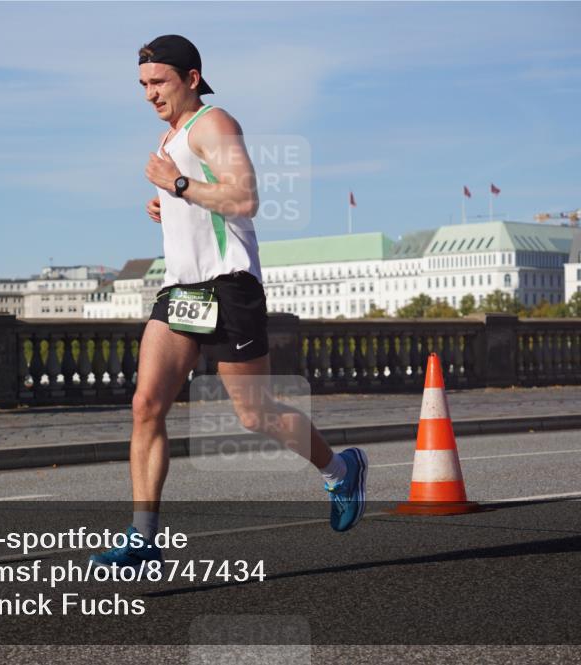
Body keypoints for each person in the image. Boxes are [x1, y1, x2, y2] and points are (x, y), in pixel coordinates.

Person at [91, 35, 368, 569]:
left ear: (192, 79)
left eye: (159, 82)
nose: (149, 94)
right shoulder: (170, 135)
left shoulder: (214, 124)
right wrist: (171, 199)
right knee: (146, 406)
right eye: (143, 85)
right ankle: (144, 536)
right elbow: (202, 197)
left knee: (253, 412)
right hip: (181, 289)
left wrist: (176, 182)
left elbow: (244, 198)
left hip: (228, 287)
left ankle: (340, 469)